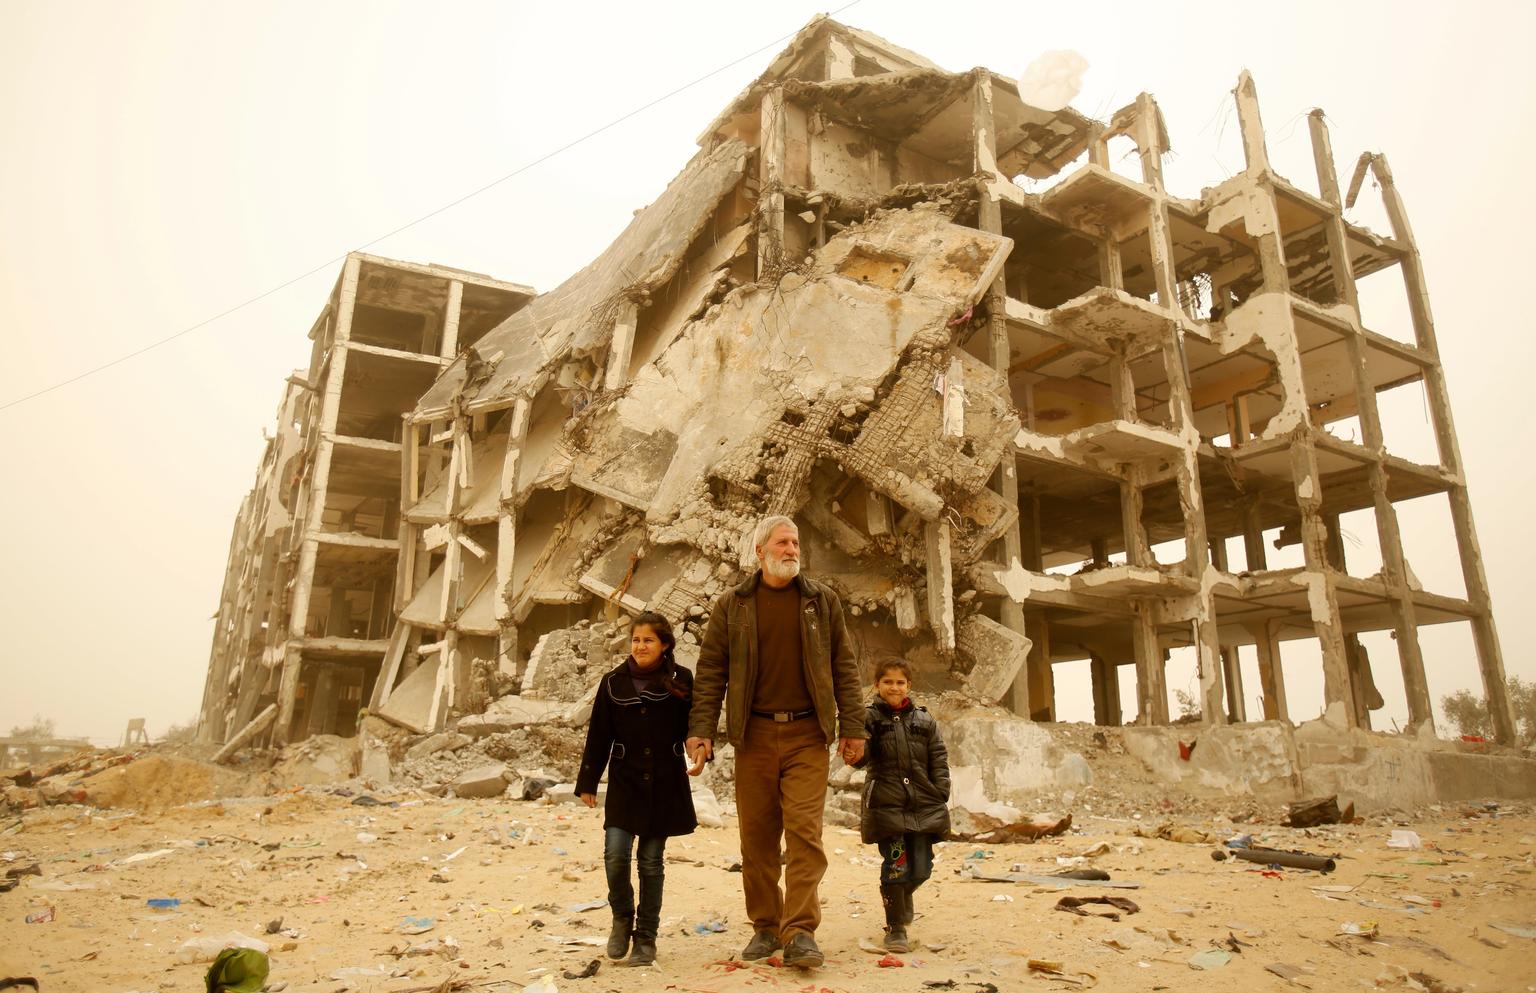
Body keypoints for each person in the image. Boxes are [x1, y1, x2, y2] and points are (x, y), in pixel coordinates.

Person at [686, 515, 867, 969]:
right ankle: (766, 926)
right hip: (755, 737)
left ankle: (801, 930)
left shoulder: (821, 602)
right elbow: (711, 672)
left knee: (805, 834)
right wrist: (701, 731)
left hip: (808, 735)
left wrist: (854, 728)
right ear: (760, 551)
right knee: (758, 839)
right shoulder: (733, 605)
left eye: (796, 543)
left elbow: (844, 667)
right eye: (784, 543)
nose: (793, 550)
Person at [576, 611, 696, 966]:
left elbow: (697, 723)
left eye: (649, 640)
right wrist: (588, 781)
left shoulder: (681, 680)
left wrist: (701, 748)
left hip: (665, 783)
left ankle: (646, 938)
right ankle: (621, 918)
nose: (641, 646)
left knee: (651, 863)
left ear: (665, 645)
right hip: (626, 782)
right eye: (636, 640)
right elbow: (598, 734)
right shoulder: (613, 681)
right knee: (615, 854)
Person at [851, 658, 950, 953]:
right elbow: (861, 756)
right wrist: (854, 754)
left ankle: (902, 898)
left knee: (921, 869)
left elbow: (938, 756)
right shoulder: (868, 718)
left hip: (923, 804)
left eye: (900, 682)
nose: (894, 687)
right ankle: (895, 928)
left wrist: (941, 789)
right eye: (888, 682)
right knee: (896, 865)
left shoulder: (924, 720)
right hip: (887, 805)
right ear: (877, 685)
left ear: (909, 685)